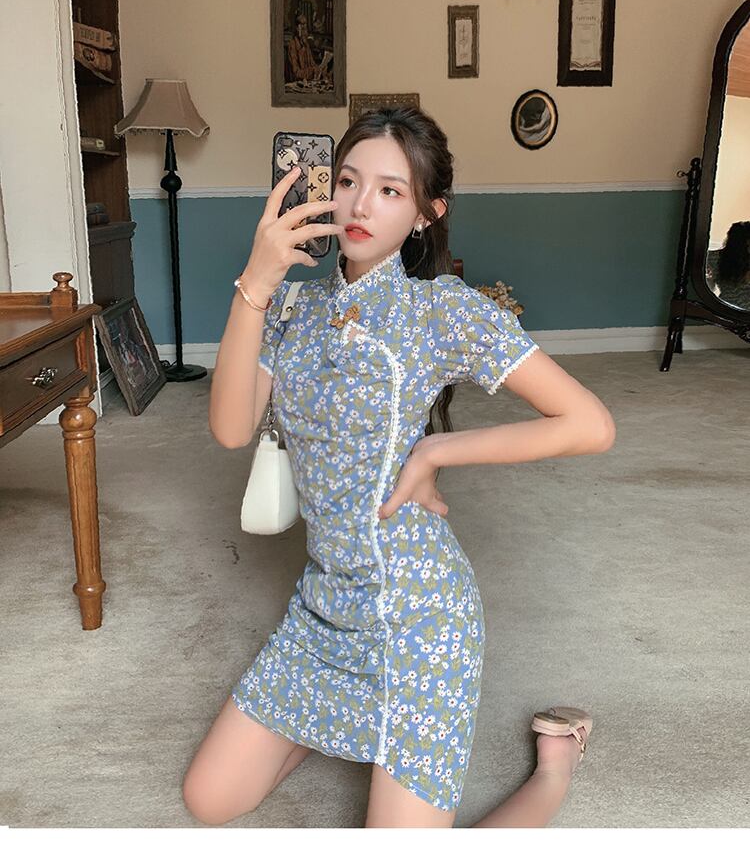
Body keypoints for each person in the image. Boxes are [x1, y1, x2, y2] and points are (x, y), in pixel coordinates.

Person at [184, 107, 615, 828]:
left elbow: (590, 425)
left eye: (390, 190)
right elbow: (231, 429)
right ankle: (338, 722)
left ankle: (555, 766)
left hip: (419, 619)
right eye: (348, 181)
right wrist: (255, 281)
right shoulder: (293, 306)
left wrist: (437, 449)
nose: (359, 205)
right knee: (209, 799)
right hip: (324, 605)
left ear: (425, 213)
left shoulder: (440, 310)